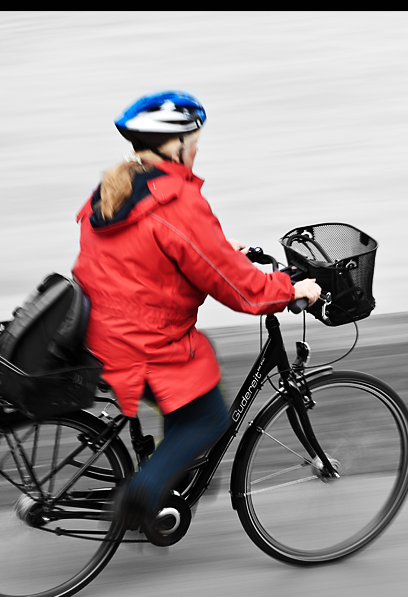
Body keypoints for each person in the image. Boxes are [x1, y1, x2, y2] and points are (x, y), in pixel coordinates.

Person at [72, 91, 321, 529]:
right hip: (144, 343)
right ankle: (143, 498)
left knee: (186, 399)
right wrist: (290, 288)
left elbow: (152, 255)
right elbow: (239, 290)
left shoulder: (117, 187)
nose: (197, 147)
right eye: (193, 139)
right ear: (175, 147)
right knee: (208, 418)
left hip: (101, 330)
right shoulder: (178, 203)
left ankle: (163, 486)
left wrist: (224, 251)